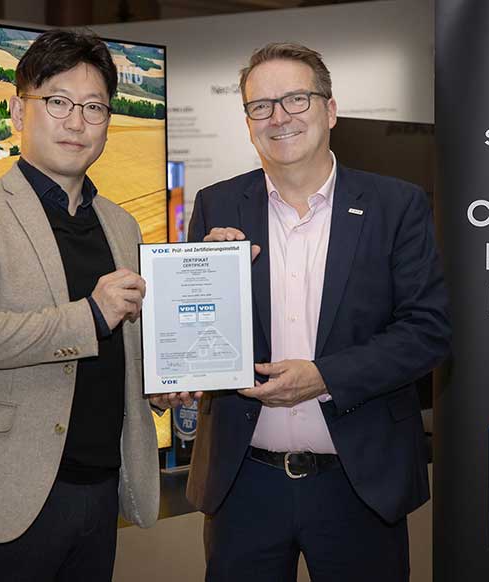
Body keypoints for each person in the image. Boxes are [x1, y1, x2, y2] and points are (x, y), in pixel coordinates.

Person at [150, 42, 451, 581]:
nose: (279, 117)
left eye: (296, 99)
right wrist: (182, 364)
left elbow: (428, 331)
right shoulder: (218, 204)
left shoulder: (395, 205)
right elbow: (201, 325)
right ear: (248, 122)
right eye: (260, 106)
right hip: (243, 486)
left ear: (329, 110)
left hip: (359, 484)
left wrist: (323, 377)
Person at [0, 29, 159, 582]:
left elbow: (126, 344)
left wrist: (164, 381)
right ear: (18, 111)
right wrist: (89, 315)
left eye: (94, 107)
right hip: (6, 494)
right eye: (58, 102)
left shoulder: (121, 225)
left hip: (100, 488)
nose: (77, 122)